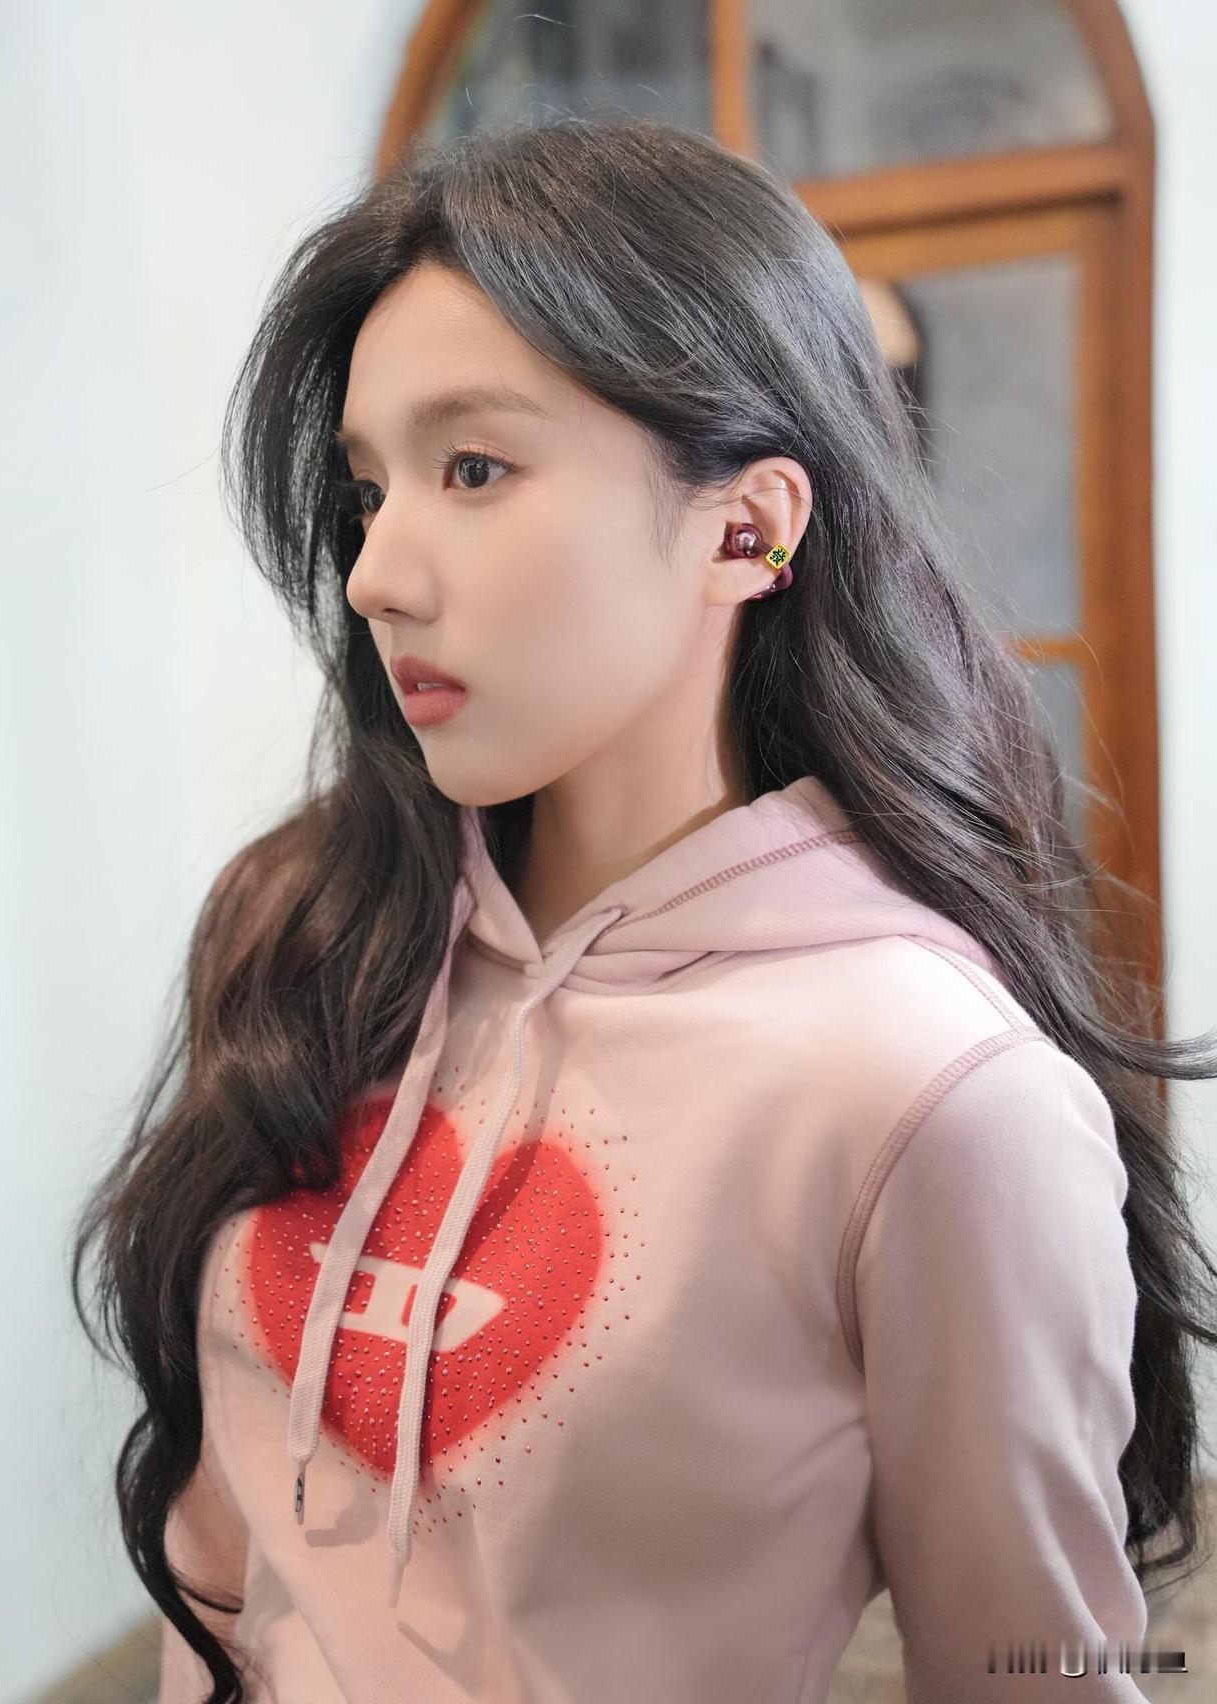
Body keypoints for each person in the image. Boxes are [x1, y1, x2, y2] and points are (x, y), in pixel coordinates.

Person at [70, 116, 1217, 1703]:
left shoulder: (931, 1093)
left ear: (748, 529)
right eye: (369, 488)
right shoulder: (307, 931)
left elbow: (1037, 1676)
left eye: (475, 469)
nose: (375, 573)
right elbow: (223, 1558)